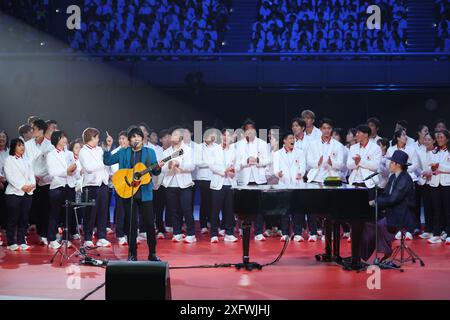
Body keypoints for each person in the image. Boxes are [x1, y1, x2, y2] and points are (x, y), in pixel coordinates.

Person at [104, 126, 164, 261]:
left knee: (149, 223)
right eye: (133, 137)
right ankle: (132, 254)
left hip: (145, 193)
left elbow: (155, 171)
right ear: (129, 140)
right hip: (128, 192)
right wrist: (108, 147)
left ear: (142, 139)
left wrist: (158, 167)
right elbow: (107, 161)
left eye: (138, 136)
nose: (136, 139)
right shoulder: (123, 152)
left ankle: (152, 253)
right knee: (131, 225)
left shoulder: (150, 152)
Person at [360, 150, 416, 268]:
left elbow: (393, 199)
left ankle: (386, 253)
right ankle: (362, 255)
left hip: (402, 214)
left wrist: (376, 202)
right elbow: (386, 195)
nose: (389, 165)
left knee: (379, 225)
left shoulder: (405, 179)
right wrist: (376, 201)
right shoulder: (393, 178)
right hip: (391, 211)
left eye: (391, 163)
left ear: (398, 165)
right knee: (368, 224)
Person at [306, 118, 344, 242]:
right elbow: (309, 161)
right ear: (321, 129)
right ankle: (312, 232)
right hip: (316, 178)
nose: (326, 131)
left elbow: (341, 164)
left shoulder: (338, 145)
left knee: (330, 209)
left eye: (328, 128)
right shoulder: (313, 144)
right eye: (324, 128)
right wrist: (318, 162)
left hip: (331, 180)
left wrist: (333, 163)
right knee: (312, 208)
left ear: (331, 129)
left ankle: (329, 232)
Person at [235, 119, 269, 241]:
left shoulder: (263, 143)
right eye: (248, 130)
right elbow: (236, 163)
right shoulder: (238, 145)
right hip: (244, 178)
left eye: (252, 129)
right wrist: (246, 161)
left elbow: (267, 160)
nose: (250, 132)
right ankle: (243, 229)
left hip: (259, 178)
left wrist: (258, 160)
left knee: (259, 207)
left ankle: (258, 232)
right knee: (244, 207)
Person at [161, 127, 196, 244]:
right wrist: (169, 165)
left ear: (181, 137)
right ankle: (177, 233)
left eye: (176, 135)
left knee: (186, 209)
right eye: (172, 135)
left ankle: (191, 234)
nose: (173, 137)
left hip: (185, 184)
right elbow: (162, 169)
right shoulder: (166, 152)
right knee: (174, 210)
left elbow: (191, 166)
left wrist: (178, 163)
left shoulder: (188, 149)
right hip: (170, 184)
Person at [79, 127, 111, 249]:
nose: (98, 139)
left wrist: (108, 149)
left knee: (103, 211)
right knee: (90, 212)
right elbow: (89, 167)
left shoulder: (99, 149)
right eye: (97, 137)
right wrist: (103, 164)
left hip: (102, 183)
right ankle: (87, 237)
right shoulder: (83, 151)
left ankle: (102, 237)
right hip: (90, 185)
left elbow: (107, 162)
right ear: (92, 138)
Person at [46, 131, 77, 249]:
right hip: (57, 187)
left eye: (65, 137)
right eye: (62, 137)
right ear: (56, 140)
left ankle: (66, 238)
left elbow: (73, 168)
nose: (65, 139)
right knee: (54, 213)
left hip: (69, 186)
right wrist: (66, 172)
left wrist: (73, 170)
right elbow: (52, 172)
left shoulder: (69, 153)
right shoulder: (51, 154)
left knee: (68, 214)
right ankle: (52, 239)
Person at [387, 129, 420, 240]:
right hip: (395, 180)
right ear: (397, 137)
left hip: (409, 179)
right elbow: (389, 165)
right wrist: (397, 171)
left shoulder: (411, 149)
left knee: (409, 205)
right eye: (403, 135)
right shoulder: (391, 150)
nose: (406, 137)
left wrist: (403, 170)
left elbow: (415, 165)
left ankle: (410, 229)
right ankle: (399, 229)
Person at [273, 131, 306, 242]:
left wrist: (300, 173)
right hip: (284, 184)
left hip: (297, 185)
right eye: (290, 138)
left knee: (298, 210)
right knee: (284, 211)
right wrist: (279, 174)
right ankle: (285, 233)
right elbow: (275, 169)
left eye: (293, 139)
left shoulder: (300, 153)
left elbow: (303, 167)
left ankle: (298, 233)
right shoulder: (277, 154)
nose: (293, 140)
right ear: (284, 140)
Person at [4, 138, 36, 251]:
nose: (22, 147)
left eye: (22, 145)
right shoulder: (9, 160)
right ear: (14, 147)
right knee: (13, 218)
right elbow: (10, 177)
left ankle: (21, 240)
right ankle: (11, 242)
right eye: (19, 145)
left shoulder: (27, 160)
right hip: (14, 193)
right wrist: (22, 186)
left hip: (27, 193)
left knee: (24, 218)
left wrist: (32, 185)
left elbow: (32, 175)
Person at [25, 119, 53, 246]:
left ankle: (44, 235)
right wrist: (32, 176)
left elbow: (50, 165)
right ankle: (30, 232)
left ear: (41, 130)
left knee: (45, 209)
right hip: (31, 181)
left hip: (45, 181)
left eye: (34, 128)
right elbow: (26, 162)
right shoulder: (27, 145)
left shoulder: (50, 145)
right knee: (31, 209)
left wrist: (40, 176)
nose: (32, 131)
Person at [208, 128, 239, 243]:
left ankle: (229, 233)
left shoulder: (234, 151)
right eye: (224, 135)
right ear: (221, 137)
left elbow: (238, 165)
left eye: (229, 136)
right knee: (215, 210)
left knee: (229, 210)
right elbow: (211, 165)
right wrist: (224, 170)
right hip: (218, 183)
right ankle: (213, 234)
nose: (226, 138)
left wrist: (234, 170)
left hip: (230, 183)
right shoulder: (214, 150)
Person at [427, 130, 450, 244]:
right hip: (435, 183)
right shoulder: (433, 152)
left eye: (442, 137)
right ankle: (437, 233)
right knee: (436, 209)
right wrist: (432, 169)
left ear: (447, 139)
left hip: (447, 184)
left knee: (448, 209)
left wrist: (440, 167)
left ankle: (449, 233)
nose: (440, 139)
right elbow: (430, 166)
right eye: (438, 137)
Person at [195, 128, 217, 234]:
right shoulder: (199, 147)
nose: (211, 136)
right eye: (209, 135)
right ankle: (203, 224)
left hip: (215, 177)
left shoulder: (218, 147)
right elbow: (198, 162)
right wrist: (210, 163)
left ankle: (212, 223)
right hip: (203, 178)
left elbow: (218, 161)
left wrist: (208, 163)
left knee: (214, 202)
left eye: (213, 135)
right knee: (205, 202)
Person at [417, 133, 436, 240]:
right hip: (424, 181)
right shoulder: (419, 152)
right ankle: (428, 229)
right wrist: (423, 173)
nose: (427, 141)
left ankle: (437, 230)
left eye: (429, 139)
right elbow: (416, 166)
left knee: (436, 207)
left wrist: (431, 173)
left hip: (435, 181)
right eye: (425, 139)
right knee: (427, 206)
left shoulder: (437, 152)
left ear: (434, 141)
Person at [153, 129, 171, 238]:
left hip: (171, 182)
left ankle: (171, 226)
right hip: (158, 183)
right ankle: (159, 228)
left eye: (169, 137)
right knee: (158, 207)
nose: (167, 139)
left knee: (171, 207)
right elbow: (156, 166)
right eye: (165, 137)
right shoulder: (156, 151)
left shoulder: (174, 151)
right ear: (160, 139)